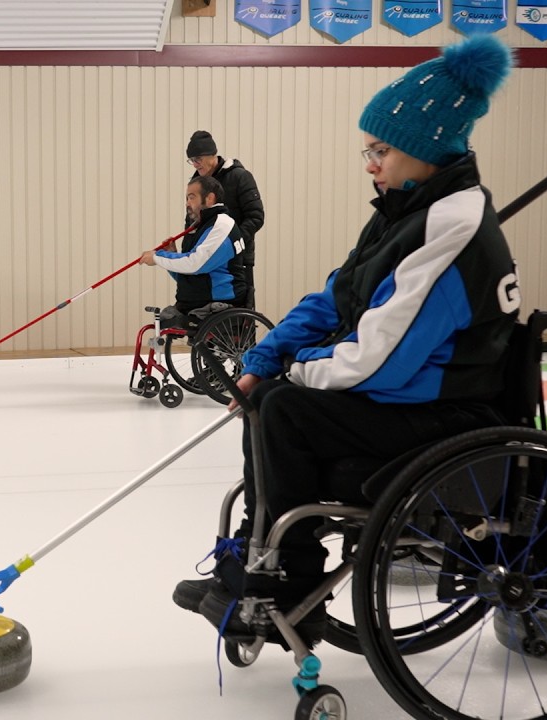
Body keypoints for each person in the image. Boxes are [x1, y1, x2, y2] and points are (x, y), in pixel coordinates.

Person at [173, 35, 521, 643]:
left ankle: (288, 585)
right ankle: (258, 562)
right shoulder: (401, 210)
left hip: (445, 408)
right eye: (368, 149)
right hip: (408, 392)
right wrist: (267, 354)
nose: (370, 163)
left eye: (380, 149)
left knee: (285, 408)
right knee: (274, 398)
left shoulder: (452, 226)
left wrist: (296, 371)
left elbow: (376, 356)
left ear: (426, 147)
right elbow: (337, 296)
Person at [141, 174, 249, 326]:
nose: (187, 203)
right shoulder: (199, 226)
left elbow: (194, 264)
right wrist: (172, 255)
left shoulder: (222, 225)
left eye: (191, 197)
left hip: (218, 301)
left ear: (209, 198)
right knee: (158, 324)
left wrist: (158, 257)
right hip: (194, 301)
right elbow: (189, 274)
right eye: (186, 198)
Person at [185, 131, 265, 307]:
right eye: (191, 159)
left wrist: (232, 244)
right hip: (207, 258)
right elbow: (191, 221)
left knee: (234, 320)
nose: (195, 164)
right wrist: (187, 251)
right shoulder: (197, 182)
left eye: (198, 158)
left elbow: (256, 216)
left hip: (237, 260)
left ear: (212, 155)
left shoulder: (240, 177)